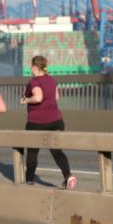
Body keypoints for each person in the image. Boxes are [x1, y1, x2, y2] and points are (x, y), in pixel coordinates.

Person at [20, 55, 76, 189]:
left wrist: (26, 100)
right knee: (56, 151)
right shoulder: (52, 80)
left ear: (34, 67)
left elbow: (38, 97)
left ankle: (29, 180)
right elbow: (56, 97)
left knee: (33, 151)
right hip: (56, 120)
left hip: (37, 121)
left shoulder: (34, 82)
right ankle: (68, 176)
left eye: (31, 66)